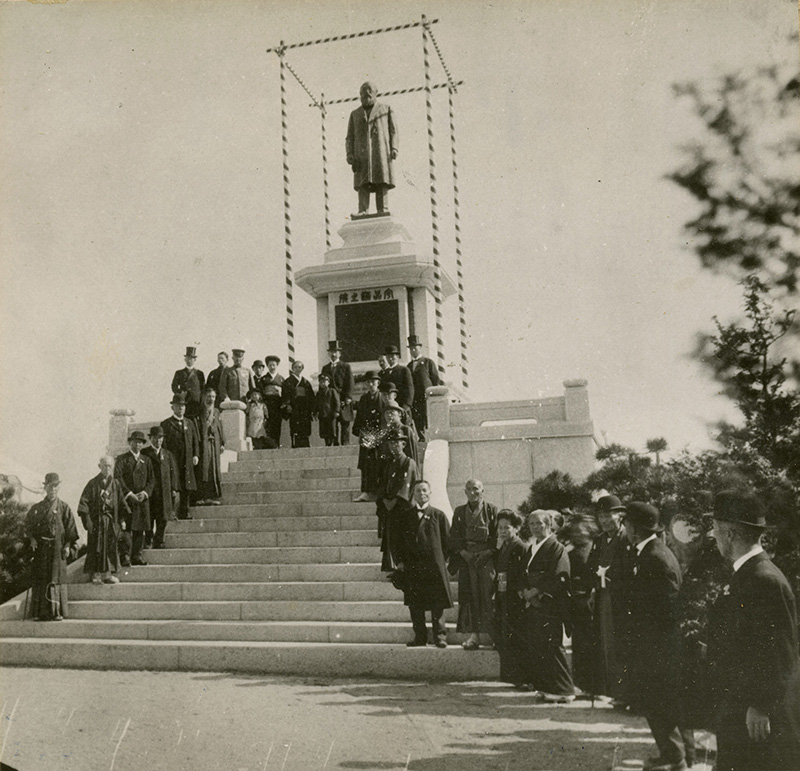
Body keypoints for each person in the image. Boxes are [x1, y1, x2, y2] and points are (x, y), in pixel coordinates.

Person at [708, 490, 800, 771]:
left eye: (715, 529)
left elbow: (779, 653)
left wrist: (760, 705)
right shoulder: (749, 573)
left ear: (730, 534)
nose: (712, 536)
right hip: (740, 705)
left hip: (754, 714)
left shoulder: (763, 580)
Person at [622, 501, 688, 771]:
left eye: (626, 524)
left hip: (658, 649)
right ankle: (673, 755)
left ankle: (676, 758)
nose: (624, 528)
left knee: (660, 705)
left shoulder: (655, 557)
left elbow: (667, 609)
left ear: (633, 529)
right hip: (652, 647)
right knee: (658, 706)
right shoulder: (647, 552)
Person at [518, 509, 574, 702]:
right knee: (538, 645)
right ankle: (545, 687)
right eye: (532, 524)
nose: (535, 527)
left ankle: (564, 690)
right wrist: (524, 591)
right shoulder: (532, 547)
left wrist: (536, 592)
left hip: (549, 603)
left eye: (540, 523)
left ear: (549, 525)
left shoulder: (556, 547)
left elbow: (560, 575)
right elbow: (523, 573)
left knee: (552, 645)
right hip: (533, 603)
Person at [586, 494, 632, 703]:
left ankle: (624, 693)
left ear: (620, 516)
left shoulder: (626, 538)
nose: (604, 521)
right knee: (605, 643)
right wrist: (593, 590)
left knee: (620, 643)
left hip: (621, 597)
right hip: (603, 595)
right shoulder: (599, 540)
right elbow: (592, 566)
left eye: (608, 516)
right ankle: (612, 690)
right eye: (601, 517)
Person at [395, 480, 451, 648]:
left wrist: (442, 561)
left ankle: (440, 636)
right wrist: (400, 562)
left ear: (430, 493)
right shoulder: (406, 516)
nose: (422, 494)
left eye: (425, 490)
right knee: (415, 604)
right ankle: (420, 637)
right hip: (413, 567)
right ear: (413, 493)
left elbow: (447, 541)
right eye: (418, 491)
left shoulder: (438, 515)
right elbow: (398, 542)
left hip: (434, 568)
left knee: (437, 603)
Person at [449, 479, 498, 650]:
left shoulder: (491, 510)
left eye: (476, 489)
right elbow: (454, 536)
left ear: (482, 490)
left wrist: (487, 552)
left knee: (488, 595)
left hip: (486, 559)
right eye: (469, 489)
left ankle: (495, 635)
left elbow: (496, 536)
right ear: (465, 492)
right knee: (470, 597)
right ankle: (474, 635)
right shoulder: (460, 511)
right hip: (467, 559)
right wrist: (464, 553)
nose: (472, 492)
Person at [25, 473, 79, 620]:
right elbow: (27, 526)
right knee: (41, 578)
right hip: (41, 548)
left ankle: (57, 612)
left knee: (56, 578)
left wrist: (67, 545)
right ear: (45, 487)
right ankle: (39, 613)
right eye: (50, 486)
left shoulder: (64, 507)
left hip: (58, 548)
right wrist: (31, 539)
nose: (52, 489)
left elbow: (71, 531)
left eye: (55, 486)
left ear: (59, 487)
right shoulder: (37, 508)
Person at [345, 81, 398, 215]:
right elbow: (349, 137)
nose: (366, 93)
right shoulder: (355, 114)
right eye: (363, 92)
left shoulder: (386, 109)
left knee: (381, 179)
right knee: (363, 182)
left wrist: (394, 148)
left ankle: (382, 208)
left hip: (380, 151)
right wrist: (350, 153)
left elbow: (393, 131)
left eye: (370, 91)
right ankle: (363, 210)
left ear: (376, 93)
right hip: (361, 155)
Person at [78, 456, 127, 583]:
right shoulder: (92, 483)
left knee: (110, 548)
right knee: (96, 548)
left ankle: (108, 575)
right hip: (97, 522)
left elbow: (121, 503)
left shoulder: (115, 484)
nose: (107, 468)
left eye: (110, 466)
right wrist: (88, 522)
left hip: (111, 521)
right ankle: (96, 574)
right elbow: (84, 504)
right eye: (105, 465)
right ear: (99, 466)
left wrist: (122, 520)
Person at [564, 514, 597, 697]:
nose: (576, 534)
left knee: (591, 646)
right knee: (580, 646)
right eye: (573, 530)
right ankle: (581, 683)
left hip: (590, 602)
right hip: (576, 604)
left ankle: (592, 686)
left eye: (580, 530)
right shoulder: (570, 552)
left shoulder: (595, 550)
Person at [493, 509, 528, 685]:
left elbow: (523, 574)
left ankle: (519, 677)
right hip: (502, 595)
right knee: (503, 635)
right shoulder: (503, 546)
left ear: (516, 529)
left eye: (507, 527)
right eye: (500, 528)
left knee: (515, 637)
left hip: (514, 597)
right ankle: (509, 676)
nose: (503, 531)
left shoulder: (520, 547)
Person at [376, 430, 418, 573]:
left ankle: (404, 568)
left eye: (397, 443)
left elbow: (406, 485)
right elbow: (382, 484)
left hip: (403, 508)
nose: (394, 446)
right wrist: (384, 499)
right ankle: (393, 567)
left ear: (403, 444)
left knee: (403, 538)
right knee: (392, 538)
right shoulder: (389, 463)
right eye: (391, 443)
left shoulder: (408, 462)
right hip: (390, 507)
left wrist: (394, 501)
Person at [114, 431, 155, 566]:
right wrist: (129, 494)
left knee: (140, 529)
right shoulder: (122, 459)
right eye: (134, 442)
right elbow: (118, 478)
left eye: (140, 442)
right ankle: (125, 556)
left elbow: (152, 480)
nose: (137, 444)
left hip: (142, 500)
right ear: (129, 443)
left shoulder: (146, 460)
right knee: (126, 529)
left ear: (142, 445)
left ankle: (137, 556)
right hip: (127, 500)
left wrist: (145, 493)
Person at [160, 393, 199, 520]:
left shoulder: (190, 423)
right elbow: (163, 444)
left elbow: (195, 441)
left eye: (182, 406)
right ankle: (171, 512)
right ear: (173, 408)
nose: (181, 408)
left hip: (187, 460)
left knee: (187, 486)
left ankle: (185, 511)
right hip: (173, 460)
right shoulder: (166, 424)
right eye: (178, 406)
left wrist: (195, 455)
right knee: (173, 485)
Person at [141, 426, 178, 549]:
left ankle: (159, 540)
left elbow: (173, 473)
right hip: (151, 492)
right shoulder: (144, 453)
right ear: (150, 438)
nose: (158, 441)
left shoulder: (167, 454)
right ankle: (148, 540)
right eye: (155, 438)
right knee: (149, 517)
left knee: (163, 517)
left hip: (164, 492)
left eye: (160, 438)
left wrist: (174, 488)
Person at [352, 370, 383, 502]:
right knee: (366, 465)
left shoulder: (382, 398)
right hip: (366, 435)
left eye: (373, 382)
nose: (371, 384)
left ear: (378, 383)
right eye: (368, 382)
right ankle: (366, 492)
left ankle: (379, 491)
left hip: (380, 436)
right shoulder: (364, 399)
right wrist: (359, 430)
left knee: (379, 464)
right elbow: (359, 417)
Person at [406, 335, 441, 440]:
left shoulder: (428, 362)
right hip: (415, 399)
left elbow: (435, 380)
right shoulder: (408, 366)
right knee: (418, 420)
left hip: (426, 398)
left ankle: (431, 439)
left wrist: (433, 396)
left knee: (428, 419)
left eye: (415, 348)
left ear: (420, 348)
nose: (413, 350)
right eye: (411, 349)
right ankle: (422, 439)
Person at [195, 386, 225, 505]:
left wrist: (222, 443)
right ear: (203, 397)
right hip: (203, 444)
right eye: (208, 397)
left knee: (214, 469)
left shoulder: (216, 411)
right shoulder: (199, 411)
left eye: (213, 397)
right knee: (204, 469)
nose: (211, 399)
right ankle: (202, 496)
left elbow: (220, 428)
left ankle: (213, 496)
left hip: (215, 443)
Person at [321, 341, 354, 445]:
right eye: (331, 352)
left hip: (343, 399)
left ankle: (345, 445)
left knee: (345, 423)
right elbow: (323, 386)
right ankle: (334, 444)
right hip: (331, 401)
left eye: (335, 352)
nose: (333, 354)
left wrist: (348, 397)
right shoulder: (325, 368)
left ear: (340, 354)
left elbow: (350, 382)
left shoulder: (345, 366)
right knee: (332, 425)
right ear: (328, 354)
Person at [281, 360, 315, 448]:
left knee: (305, 426)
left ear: (302, 368)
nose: (298, 369)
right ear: (292, 369)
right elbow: (285, 395)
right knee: (295, 426)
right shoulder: (288, 381)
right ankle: (295, 443)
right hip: (294, 407)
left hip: (304, 408)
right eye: (295, 367)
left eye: (300, 367)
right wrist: (288, 405)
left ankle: (305, 443)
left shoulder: (306, 382)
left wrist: (311, 408)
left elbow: (311, 396)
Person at [171, 346, 205, 418]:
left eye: (191, 359)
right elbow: (174, 386)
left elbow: (203, 388)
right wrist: (180, 393)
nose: (189, 360)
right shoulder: (179, 373)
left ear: (195, 360)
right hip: (184, 402)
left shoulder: (199, 373)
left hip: (196, 402)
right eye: (188, 358)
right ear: (185, 359)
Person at [380, 345, 414, 414]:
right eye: (388, 356)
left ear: (397, 357)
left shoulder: (404, 370)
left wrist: (406, 405)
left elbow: (410, 388)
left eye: (392, 356)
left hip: (401, 406)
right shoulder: (384, 373)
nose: (390, 358)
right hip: (388, 407)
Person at [260, 355, 284, 448]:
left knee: (277, 425)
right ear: (267, 366)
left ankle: (276, 445)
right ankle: (269, 446)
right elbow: (261, 392)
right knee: (268, 426)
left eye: (274, 365)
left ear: (277, 366)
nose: (272, 367)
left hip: (277, 405)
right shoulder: (264, 379)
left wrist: (280, 393)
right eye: (270, 365)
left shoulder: (281, 379)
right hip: (267, 405)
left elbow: (285, 393)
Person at [316, 373, 340, 446]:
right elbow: (316, 404)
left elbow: (337, 402)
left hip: (331, 414)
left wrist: (337, 411)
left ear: (328, 382)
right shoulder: (319, 393)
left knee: (332, 430)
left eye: (324, 381)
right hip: (322, 415)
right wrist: (315, 412)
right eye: (321, 382)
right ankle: (327, 443)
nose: (322, 383)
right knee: (324, 430)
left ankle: (334, 442)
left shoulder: (332, 391)